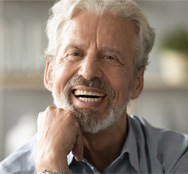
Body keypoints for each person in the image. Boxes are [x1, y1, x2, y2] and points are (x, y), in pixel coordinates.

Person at [1, 0, 188, 173]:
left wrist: (50, 166)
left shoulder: (177, 158)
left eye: (110, 57)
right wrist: (51, 158)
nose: (89, 72)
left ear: (137, 82)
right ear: (49, 74)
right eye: (74, 53)